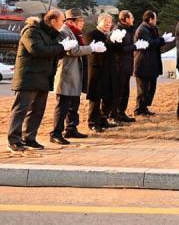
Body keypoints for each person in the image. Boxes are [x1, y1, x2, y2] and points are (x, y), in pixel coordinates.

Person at [7, 10, 70, 152]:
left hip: (43, 77)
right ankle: (14, 140)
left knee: (37, 110)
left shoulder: (50, 34)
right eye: (62, 20)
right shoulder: (31, 31)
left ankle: (29, 138)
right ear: (53, 21)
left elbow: (52, 54)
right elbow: (38, 50)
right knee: (20, 110)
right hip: (28, 77)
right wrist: (61, 47)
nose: (63, 23)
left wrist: (64, 49)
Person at [50, 8, 104, 145]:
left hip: (75, 73)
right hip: (66, 73)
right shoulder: (64, 32)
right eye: (80, 20)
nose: (82, 23)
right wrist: (91, 49)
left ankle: (71, 128)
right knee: (62, 105)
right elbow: (73, 51)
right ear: (71, 21)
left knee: (74, 103)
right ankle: (56, 132)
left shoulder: (76, 33)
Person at [133, 10, 174, 117]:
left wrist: (163, 40)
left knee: (150, 87)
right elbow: (150, 43)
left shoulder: (151, 28)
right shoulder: (142, 30)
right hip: (143, 63)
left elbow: (155, 42)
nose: (156, 21)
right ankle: (139, 109)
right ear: (150, 19)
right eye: (155, 18)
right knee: (143, 88)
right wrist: (162, 40)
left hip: (151, 62)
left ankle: (144, 107)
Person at [85, 13, 118, 132]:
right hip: (97, 69)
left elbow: (115, 51)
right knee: (96, 97)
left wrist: (118, 41)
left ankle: (103, 119)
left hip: (109, 69)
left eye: (110, 22)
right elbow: (97, 50)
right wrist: (110, 41)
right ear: (99, 22)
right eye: (106, 22)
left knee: (109, 96)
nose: (108, 25)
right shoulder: (91, 34)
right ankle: (93, 122)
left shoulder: (109, 35)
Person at [112, 10, 145, 123]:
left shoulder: (128, 30)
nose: (133, 20)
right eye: (131, 18)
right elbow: (120, 50)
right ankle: (114, 115)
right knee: (119, 92)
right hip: (119, 66)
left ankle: (121, 113)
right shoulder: (119, 31)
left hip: (126, 65)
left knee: (125, 92)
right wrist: (135, 46)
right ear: (126, 19)